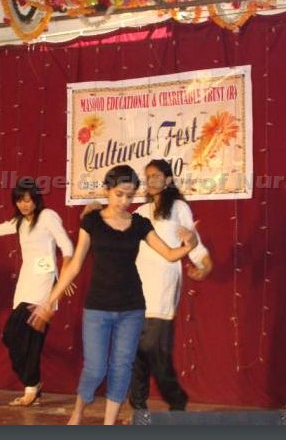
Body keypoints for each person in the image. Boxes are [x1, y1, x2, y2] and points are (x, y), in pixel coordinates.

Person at [27, 164, 198, 425]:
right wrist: (49, 300)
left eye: (130, 196)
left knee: (122, 367)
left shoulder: (140, 223)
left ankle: (109, 424)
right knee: (95, 369)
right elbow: (75, 265)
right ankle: (78, 412)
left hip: (132, 308)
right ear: (107, 190)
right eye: (119, 194)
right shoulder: (92, 221)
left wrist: (189, 244)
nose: (124, 201)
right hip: (98, 308)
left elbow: (169, 254)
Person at [0, 177, 74, 406]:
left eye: (27, 200)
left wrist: (64, 279)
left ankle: (31, 389)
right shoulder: (19, 222)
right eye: (19, 200)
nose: (24, 204)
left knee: (31, 340)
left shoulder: (47, 216)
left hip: (45, 285)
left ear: (36, 199)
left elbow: (67, 246)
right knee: (12, 336)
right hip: (26, 285)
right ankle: (33, 386)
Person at [129, 159, 212, 413]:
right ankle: (138, 407)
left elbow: (193, 243)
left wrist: (204, 266)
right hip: (137, 286)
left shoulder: (178, 207)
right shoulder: (140, 212)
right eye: (148, 176)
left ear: (167, 180)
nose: (151, 180)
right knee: (136, 351)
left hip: (164, 286)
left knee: (155, 350)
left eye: (156, 175)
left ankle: (177, 401)